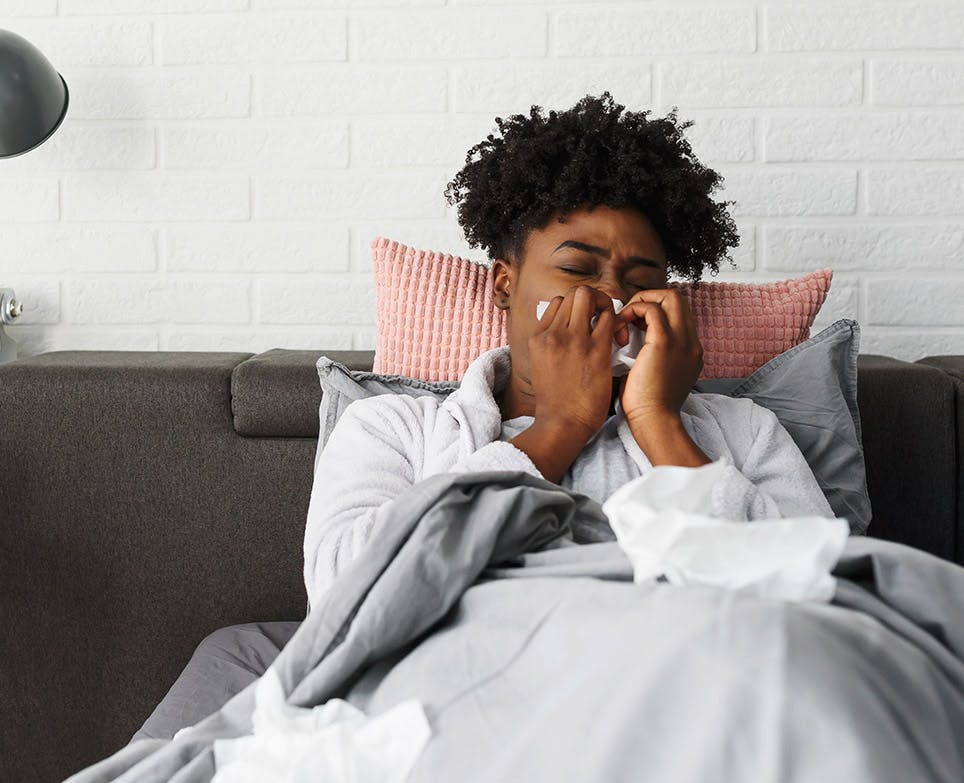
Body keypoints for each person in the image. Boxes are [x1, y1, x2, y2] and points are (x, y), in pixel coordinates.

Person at [302, 92, 834, 609]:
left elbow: (819, 593)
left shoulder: (743, 431)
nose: (614, 298)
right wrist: (559, 426)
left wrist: (659, 422)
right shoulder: (393, 427)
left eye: (642, 280)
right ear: (505, 285)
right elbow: (341, 600)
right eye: (578, 270)